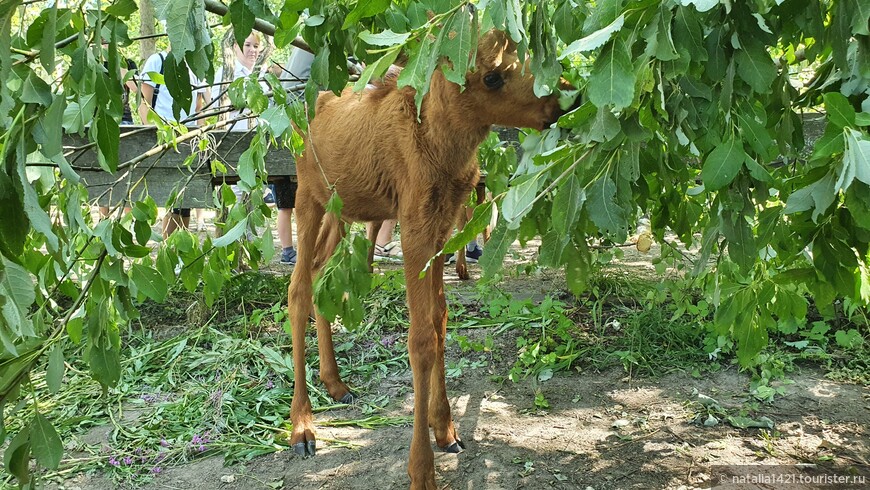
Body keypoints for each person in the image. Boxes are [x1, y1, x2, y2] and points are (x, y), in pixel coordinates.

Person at [138, 45, 209, 238]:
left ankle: (177, 252)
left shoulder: (194, 68)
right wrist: (152, 135)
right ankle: (168, 247)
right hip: (164, 138)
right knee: (174, 199)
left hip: (189, 139)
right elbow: (144, 103)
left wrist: (202, 133)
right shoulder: (157, 61)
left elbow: (199, 107)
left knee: (184, 200)